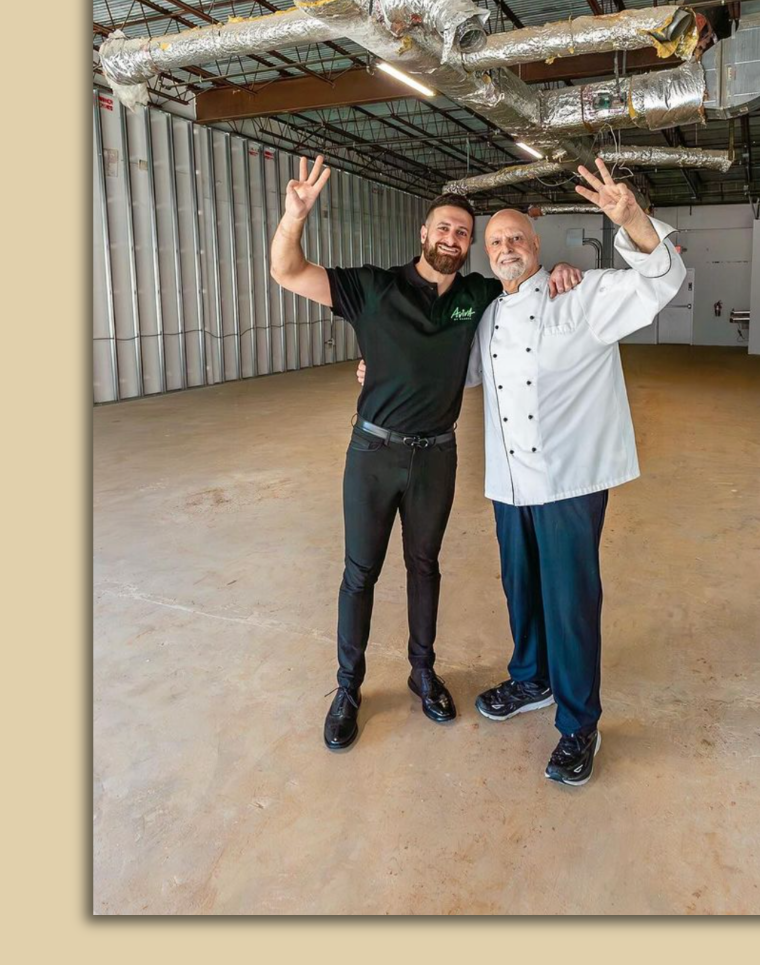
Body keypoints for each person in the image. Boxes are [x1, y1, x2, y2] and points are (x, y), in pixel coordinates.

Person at [268, 156, 578, 752]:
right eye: (444, 228)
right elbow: (287, 271)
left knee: (425, 568)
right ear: (424, 233)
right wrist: (294, 217)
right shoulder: (373, 288)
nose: (453, 239)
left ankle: (422, 671)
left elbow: (525, 285)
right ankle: (348, 689)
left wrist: (563, 269)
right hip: (373, 454)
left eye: (464, 233)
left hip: (437, 457)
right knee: (360, 573)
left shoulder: (478, 294)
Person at [467, 159, 685, 785]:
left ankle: (578, 724)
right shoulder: (486, 314)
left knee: (570, 603)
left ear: (537, 247)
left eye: (517, 239)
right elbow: (454, 373)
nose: (507, 248)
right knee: (522, 590)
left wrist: (632, 219)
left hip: (568, 482)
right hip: (508, 485)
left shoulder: (580, 295)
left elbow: (659, 283)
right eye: (497, 242)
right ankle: (531, 678)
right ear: (489, 255)